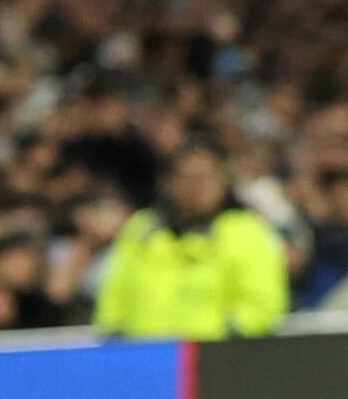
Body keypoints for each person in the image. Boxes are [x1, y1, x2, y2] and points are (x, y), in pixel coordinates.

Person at [94, 143, 293, 342]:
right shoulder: (142, 227)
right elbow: (113, 294)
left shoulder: (247, 230)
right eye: (186, 177)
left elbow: (262, 304)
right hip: (144, 356)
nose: (195, 187)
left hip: (213, 358)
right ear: (169, 182)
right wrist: (114, 336)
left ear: (224, 180)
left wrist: (226, 341)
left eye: (205, 177)